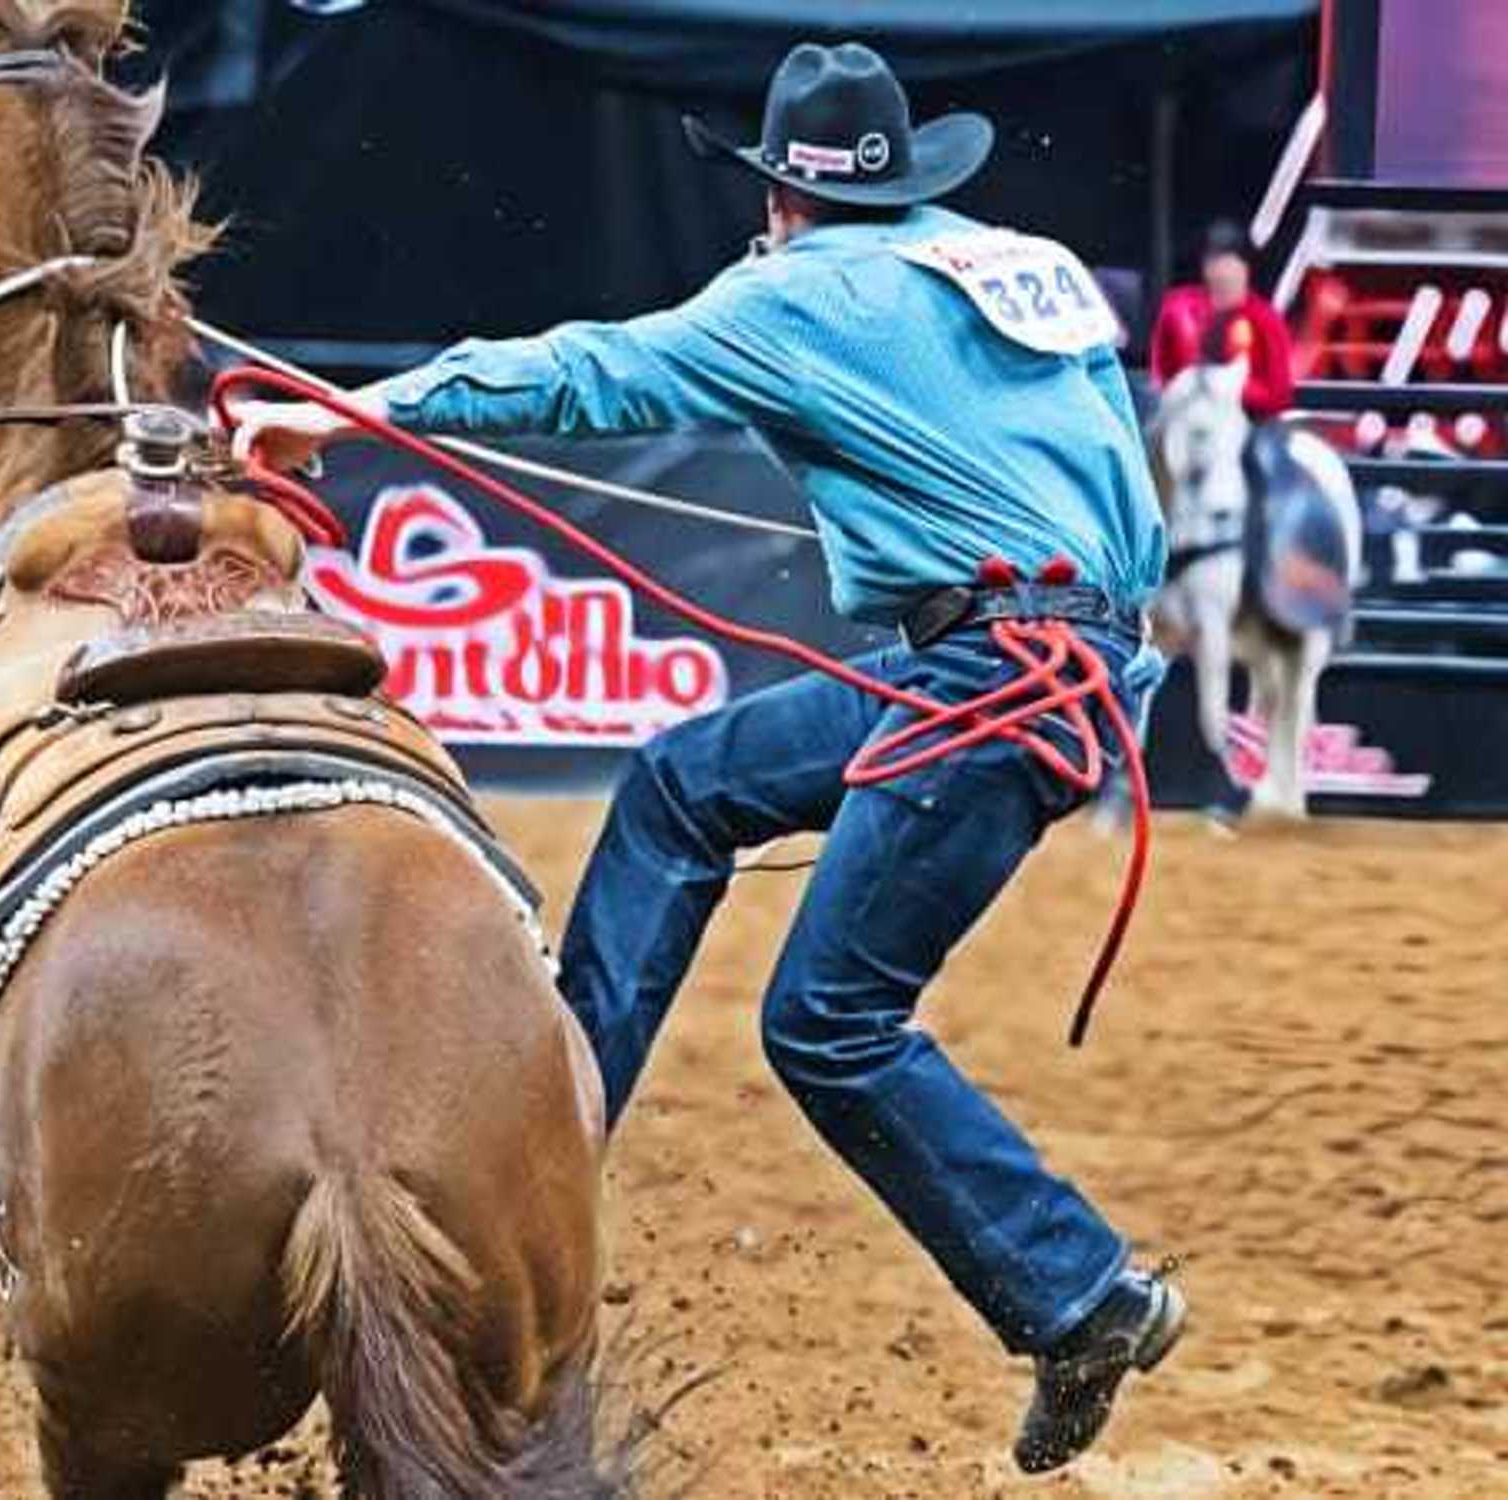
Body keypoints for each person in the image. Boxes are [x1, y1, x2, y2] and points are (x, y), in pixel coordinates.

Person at [231, 42, 1182, 1474]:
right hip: (1058, 665)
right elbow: (1109, 489)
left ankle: (1078, 1294)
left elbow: (588, 374)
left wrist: (347, 410)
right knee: (685, 783)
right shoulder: (1020, 268)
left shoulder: (789, 297)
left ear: (783, 197)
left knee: (829, 1025)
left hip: (990, 675)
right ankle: (552, 1131)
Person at [1150, 219, 1295, 420]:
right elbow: (1162, 374)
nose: (1222, 272)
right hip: (1186, 415)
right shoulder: (1178, 308)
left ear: (1245, 269)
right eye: (1214, 262)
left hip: (1249, 420)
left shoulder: (1267, 319)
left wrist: (1228, 388)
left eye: (1230, 264)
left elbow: (1279, 394)